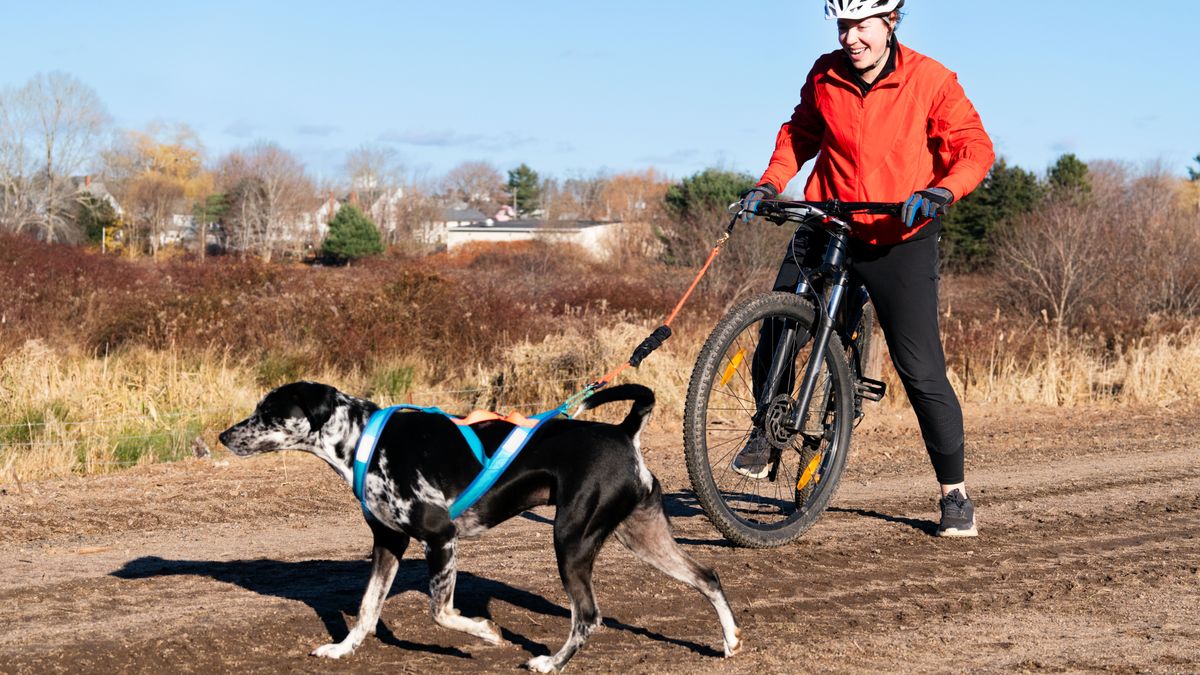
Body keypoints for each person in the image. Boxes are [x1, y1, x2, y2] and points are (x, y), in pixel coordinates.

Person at [731, 0, 994, 537]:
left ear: (890, 23)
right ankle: (768, 425)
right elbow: (799, 135)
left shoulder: (930, 79)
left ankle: (955, 494)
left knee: (920, 369)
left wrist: (941, 190)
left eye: (862, 26)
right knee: (779, 324)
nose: (852, 38)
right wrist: (769, 183)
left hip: (899, 234)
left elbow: (974, 148)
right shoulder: (825, 74)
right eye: (843, 26)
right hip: (830, 220)